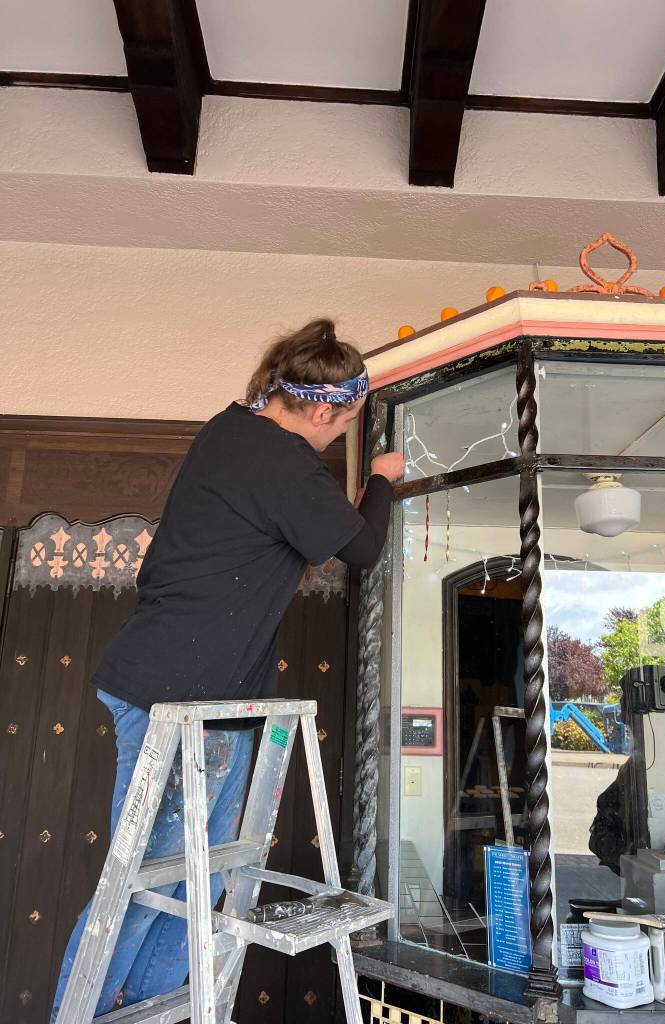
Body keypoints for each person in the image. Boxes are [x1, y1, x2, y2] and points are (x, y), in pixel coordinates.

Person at [51, 318, 404, 1020]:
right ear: (324, 408)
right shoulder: (280, 459)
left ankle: (147, 1008)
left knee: (189, 882)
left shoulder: (229, 430)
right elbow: (360, 549)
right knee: (145, 884)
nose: (338, 437)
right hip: (181, 694)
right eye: (345, 424)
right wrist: (381, 481)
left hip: (202, 693)